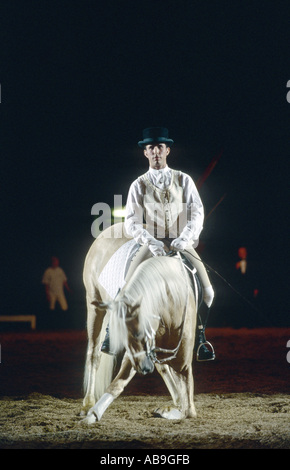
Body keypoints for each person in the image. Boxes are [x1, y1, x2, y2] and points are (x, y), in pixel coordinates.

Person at [102, 127, 215, 361]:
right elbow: (132, 220)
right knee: (125, 285)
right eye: (150, 148)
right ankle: (111, 332)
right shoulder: (138, 184)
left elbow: (197, 212)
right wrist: (150, 241)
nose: (155, 152)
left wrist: (185, 238)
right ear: (145, 153)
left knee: (208, 291)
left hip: (180, 241)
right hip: (151, 242)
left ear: (167, 150)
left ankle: (201, 338)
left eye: (159, 148)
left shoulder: (184, 180)